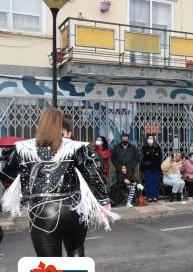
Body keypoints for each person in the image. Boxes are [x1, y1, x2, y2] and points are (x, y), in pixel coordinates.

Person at [0, 107, 116, 257]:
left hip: (42, 210)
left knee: (50, 265)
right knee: (76, 252)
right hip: (74, 207)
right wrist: (104, 200)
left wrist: (22, 182)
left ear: (38, 126)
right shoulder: (76, 146)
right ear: (59, 126)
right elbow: (93, 173)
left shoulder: (22, 148)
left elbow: (3, 170)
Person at [141, 134, 162, 202]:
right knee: (149, 182)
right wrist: (154, 154)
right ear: (147, 139)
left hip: (156, 168)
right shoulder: (144, 147)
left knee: (155, 182)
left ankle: (155, 196)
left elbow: (159, 157)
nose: (150, 139)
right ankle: (149, 196)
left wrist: (150, 154)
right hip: (147, 168)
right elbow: (145, 156)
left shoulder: (157, 146)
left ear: (154, 139)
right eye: (149, 138)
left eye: (152, 138)